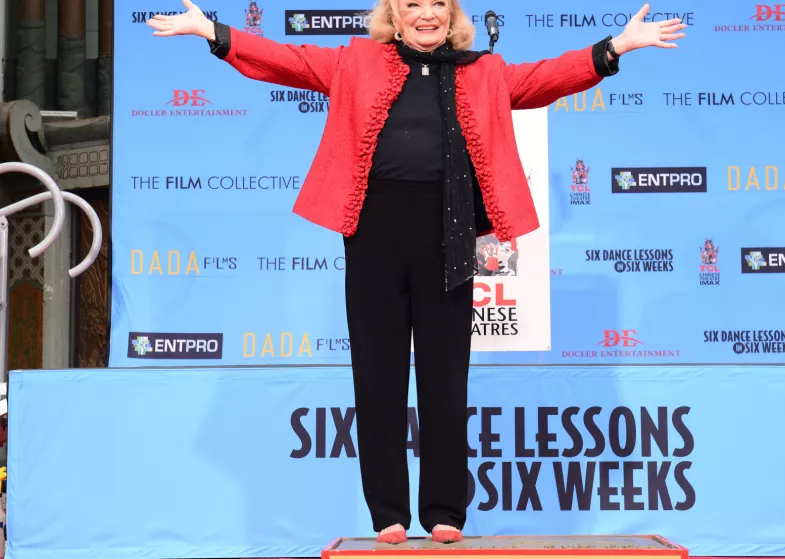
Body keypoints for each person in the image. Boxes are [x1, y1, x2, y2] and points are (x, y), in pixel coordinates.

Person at [147, 0, 686, 545]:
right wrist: (210, 31)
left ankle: (445, 509)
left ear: (452, 17)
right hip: (374, 230)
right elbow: (282, 59)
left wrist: (615, 46)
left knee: (445, 377)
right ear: (394, 16)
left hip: (447, 232)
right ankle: (388, 514)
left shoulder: (485, 71)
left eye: (437, 6)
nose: (425, 15)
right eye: (412, 5)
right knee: (377, 375)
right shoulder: (354, 62)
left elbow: (548, 78)